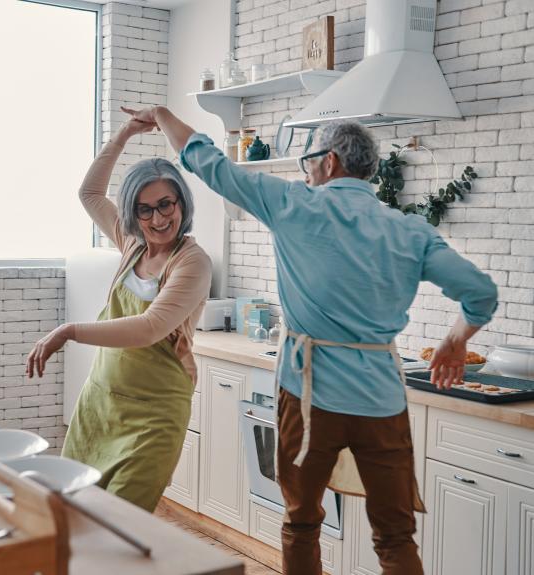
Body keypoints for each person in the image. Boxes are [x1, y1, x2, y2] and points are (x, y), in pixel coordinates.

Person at [122, 106, 498, 574]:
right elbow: (481, 295)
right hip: (380, 401)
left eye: (308, 160)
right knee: (396, 536)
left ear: (330, 161)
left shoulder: (292, 205)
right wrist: (456, 340)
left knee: (301, 523)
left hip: (307, 398)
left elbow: (207, 161)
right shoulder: (408, 229)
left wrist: (161, 115)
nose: (306, 170)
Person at [26, 115, 211, 513]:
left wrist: (70, 331)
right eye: (145, 210)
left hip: (153, 416)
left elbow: (151, 327)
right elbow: (90, 193)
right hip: (100, 404)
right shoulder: (133, 244)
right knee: (72, 513)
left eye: (166, 204)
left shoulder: (192, 262)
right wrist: (124, 134)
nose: (158, 219)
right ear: (133, 214)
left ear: (181, 202)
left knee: (119, 522)